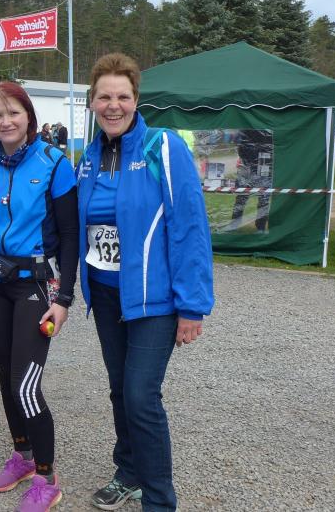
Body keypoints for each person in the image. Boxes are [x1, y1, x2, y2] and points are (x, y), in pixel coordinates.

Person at [77, 53, 214, 512]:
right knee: (120, 390)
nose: (113, 106)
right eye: (104, 97)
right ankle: (129, 473)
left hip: (153, 299)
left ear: (136, 100)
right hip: (105, 292)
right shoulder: (88, 157)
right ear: (92, 102)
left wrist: (192, 305)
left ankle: (159, 500)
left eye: (122, 96)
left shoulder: (162, 147)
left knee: (140, 395)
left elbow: (190, 227)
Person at [0, 81, 79, 512]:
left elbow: (70, 235)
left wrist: (64, 299)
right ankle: (23, 457)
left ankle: (47, 477)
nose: (6, 121)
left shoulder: (54, 163)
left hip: (35, 284)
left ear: (28, 116)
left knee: (25, 385)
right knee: (5, 374)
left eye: (13, 112)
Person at [229, 129, 273, 232]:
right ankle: (235, 225)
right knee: (242, 198)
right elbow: (240, 147)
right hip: (248, 167)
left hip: (262, 167)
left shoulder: (267, 131)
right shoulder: (246, 129)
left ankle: (260, 227)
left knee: (263, 200)